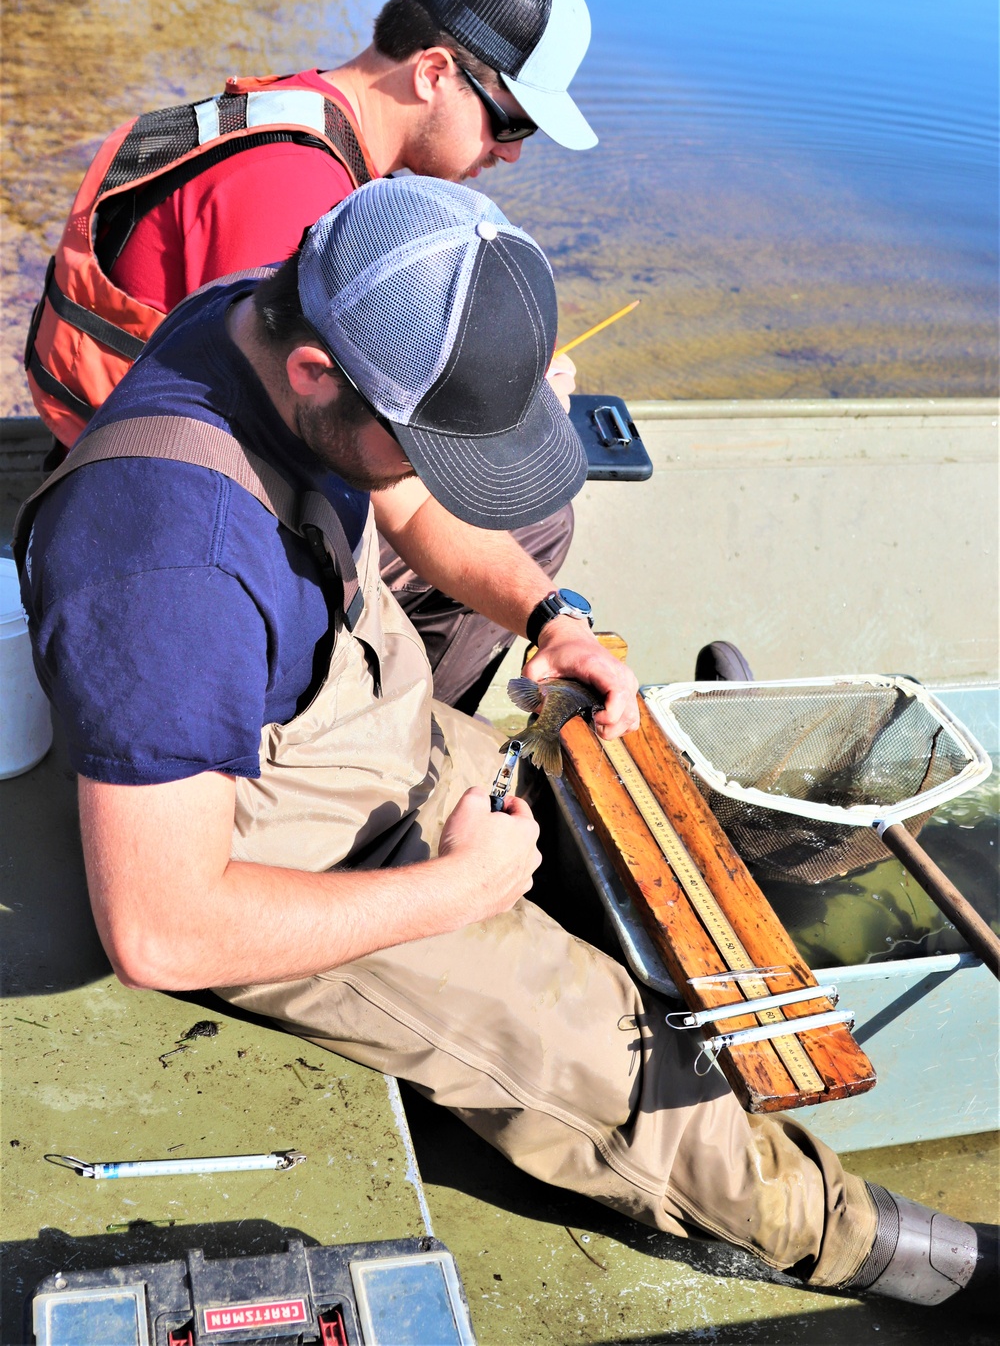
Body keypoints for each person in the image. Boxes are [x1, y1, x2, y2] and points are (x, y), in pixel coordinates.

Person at [18, 177, 994, 1318]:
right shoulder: (169, 569)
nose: (432, 467)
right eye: (428, 440)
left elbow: (410, 509)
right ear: (314, 375)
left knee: (631, 813)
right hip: (287, 867)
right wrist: (453, 891)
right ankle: (873, 1247)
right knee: (622, 1070)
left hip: (374, 736)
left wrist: (550, 622)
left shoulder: (279, 312)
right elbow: (162, 926)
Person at [26, 0, 594, 716]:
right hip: (144, 498)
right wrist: (491, 428)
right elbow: (338, 447)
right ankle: (386, 730)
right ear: (433, 72)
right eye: (512, 122)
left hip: (145, 438)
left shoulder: (308, 116)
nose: (511, 155)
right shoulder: (289, 190)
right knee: (532, 521)